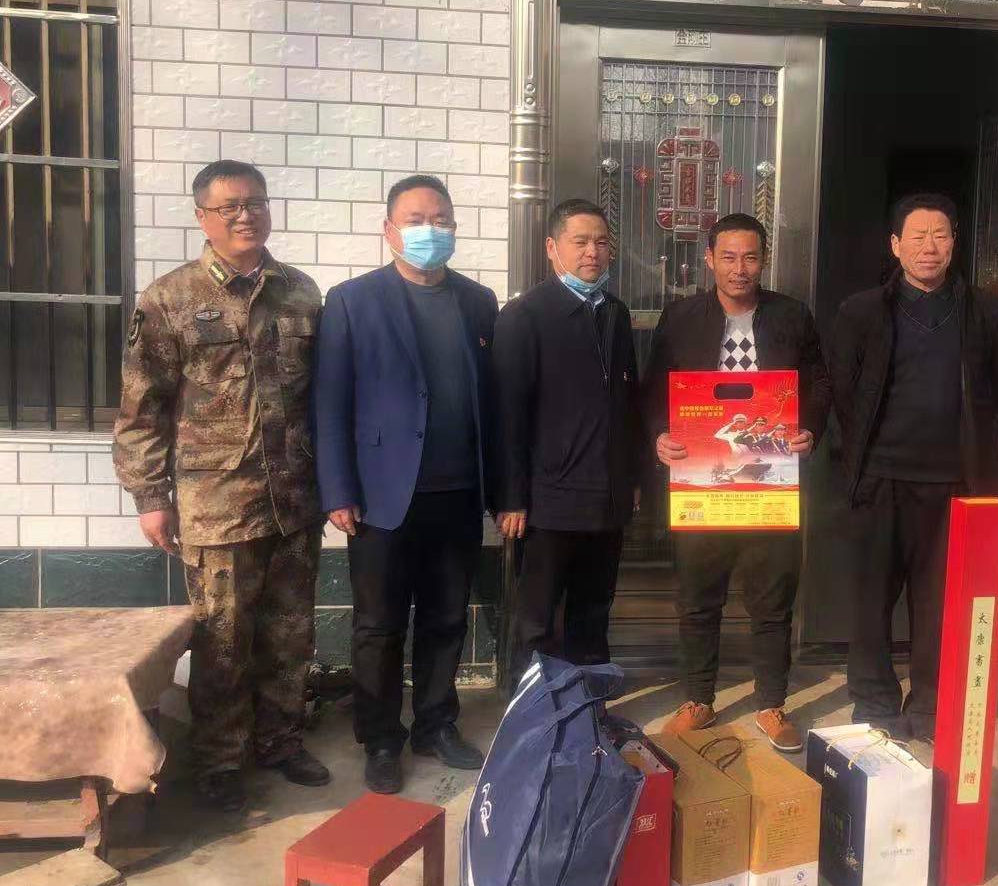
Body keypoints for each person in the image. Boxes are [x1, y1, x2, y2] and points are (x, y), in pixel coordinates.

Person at [113, 160, 329, 812]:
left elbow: (323, 396)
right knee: (223, 641)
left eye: (255, 202)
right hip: (216, 505)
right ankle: (220, 759)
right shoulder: (169, 299)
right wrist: (151, 498)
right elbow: (141, 407)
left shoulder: (300, 293)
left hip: (294, 499)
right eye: (229, 206)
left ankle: (281, 740)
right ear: (201, 216)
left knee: (290, 634)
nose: (245, 216)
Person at [314, 174, 498, 794]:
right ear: (388, 230)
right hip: (379, 497)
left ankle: (435, 724)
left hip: (458, 492)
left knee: (447, 617)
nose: (430, 230)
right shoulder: (351, 301)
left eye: (441, 220)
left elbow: (490, 399)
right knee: (379, 623)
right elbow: (330, 402)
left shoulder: (478, 301)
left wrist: (498, 487)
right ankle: (381, 738)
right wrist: (338, 489)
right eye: (416, 220)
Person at [829, 192, 998, 742]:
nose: (929, 246)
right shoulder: (862, 311)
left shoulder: (984, 311)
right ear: (895, 245)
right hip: (880, 479)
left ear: (954, 242)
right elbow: (843, 392)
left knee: (939, 605)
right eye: (917, 236)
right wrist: (861, 462)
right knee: (871, 602)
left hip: (955, 481)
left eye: (940, 235)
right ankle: (875, 703)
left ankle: (931, 705)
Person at [647, 213, 832, 752]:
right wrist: (659, 435)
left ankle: (771, 704)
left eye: (750, 257)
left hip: (770, 484)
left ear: (764, 260)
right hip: (702, 481)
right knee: (697, 599)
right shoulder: (681, 318)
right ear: (709, 259)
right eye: (728, 257)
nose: (739, 268)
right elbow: (653, 389)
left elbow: (820, 383)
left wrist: (809, 429)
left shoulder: (792, 316)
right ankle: (698, 699)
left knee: (772, 602)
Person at [495, 199, 642, 682]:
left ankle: (589, 708)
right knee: (537, 618)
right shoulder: (525, 315)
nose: (592, 252)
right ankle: (533, 712)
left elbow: (627, 403)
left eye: (601, 242)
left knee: (593, 612)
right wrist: (511, 497)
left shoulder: (615, 313)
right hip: (548, 501)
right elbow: (508, 414)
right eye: (580, 242)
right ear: (552, 248)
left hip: (607, 497)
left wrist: (630, 478)